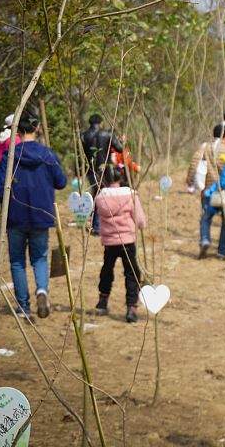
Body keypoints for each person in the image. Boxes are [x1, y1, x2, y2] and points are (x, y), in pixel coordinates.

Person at [0, 109, 67, 319]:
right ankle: (42, 291)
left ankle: (24, 307)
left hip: (15, 217)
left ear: (17, 131)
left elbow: (0, 188)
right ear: (37, 127)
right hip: (41, 216)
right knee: (39, 258)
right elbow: (62, 182)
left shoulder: (10, 156)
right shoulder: (47, 155)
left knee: (18, 261)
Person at [94, 168, 146, 323]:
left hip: (110, 242)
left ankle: (103, 300)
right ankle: (131, 307)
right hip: (127, 241)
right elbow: (140, 219)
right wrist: (142, 226)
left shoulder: (100, 197)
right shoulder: (130, 194)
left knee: (107, 270)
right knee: (132, 273)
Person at [186, 124, 225, 259]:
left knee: (205, 218)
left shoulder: (204, 148)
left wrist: (189, 181)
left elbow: (194, 164)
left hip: (207, 189)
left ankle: (205, 240)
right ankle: (222, 250)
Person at [81, 114, 123, 235]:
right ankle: (105, 225)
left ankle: (97, 225)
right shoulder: (107, 134)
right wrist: (120, 141)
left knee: (96, 196)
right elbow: (119, 149)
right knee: (106, 196)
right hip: (106, 169)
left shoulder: (83, 136)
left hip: (91, 170)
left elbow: (81, 155)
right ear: (101, 123)